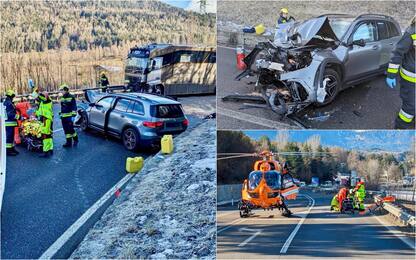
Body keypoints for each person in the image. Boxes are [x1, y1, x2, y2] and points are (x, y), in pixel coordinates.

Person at [386, 16, 415, 129]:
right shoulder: (412, 32)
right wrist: (391, 75)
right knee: (410, 108)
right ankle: (399, 130)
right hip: (411, 81)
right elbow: (397, 53)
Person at [36, 92, 54, 158]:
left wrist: (34, 90)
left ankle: (46, 152)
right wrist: (36, 113)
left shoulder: (47, 101)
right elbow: (40, 111)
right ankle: (50, 149)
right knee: (49, 135)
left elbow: (40, 97)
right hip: (46, 120)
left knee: (45, 136)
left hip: (46, 120)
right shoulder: (43, 102)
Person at [3, 89, 20, 156]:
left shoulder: (7, 102)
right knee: (9, 137)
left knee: (11, 137)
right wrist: (19, 117)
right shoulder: (9, 103)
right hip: (9, 123)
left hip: (9, 122)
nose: (13, 97)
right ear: (11, 96)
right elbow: (10, 114)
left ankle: (12, 148)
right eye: (13, 96)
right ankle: (8, 151)